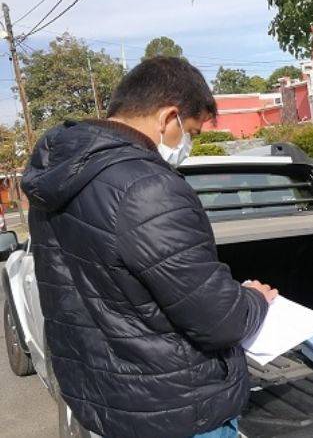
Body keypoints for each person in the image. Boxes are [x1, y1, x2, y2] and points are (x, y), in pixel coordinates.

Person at [21, 57, 276, 438]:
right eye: (191, 131)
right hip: (179, 413)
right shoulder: (147, 187)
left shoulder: (56, 179)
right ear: (169, 117)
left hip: (110, 402)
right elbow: (220, 321)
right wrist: (254, 299)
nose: (187, 144)